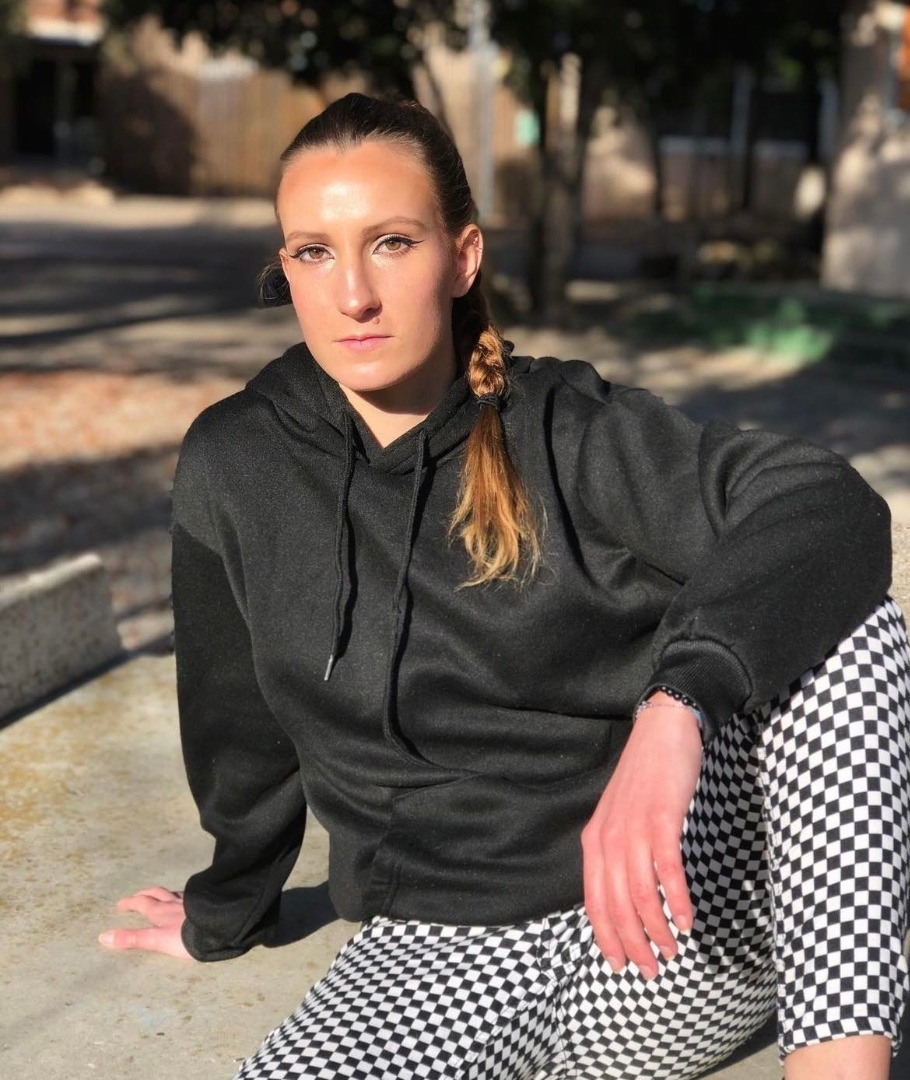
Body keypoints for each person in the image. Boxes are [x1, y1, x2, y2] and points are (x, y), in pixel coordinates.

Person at [100, 93, 910, 1080]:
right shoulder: (236, 462)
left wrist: (678, 706)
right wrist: (226, 913)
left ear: (462, 257)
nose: (352, 294)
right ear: (287, 268)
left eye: (391, 243)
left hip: (678, 917)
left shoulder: (567, 430)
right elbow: (239, 724)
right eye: (314, 252)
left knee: (845, 627)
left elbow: (824, 500)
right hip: (438, 953)